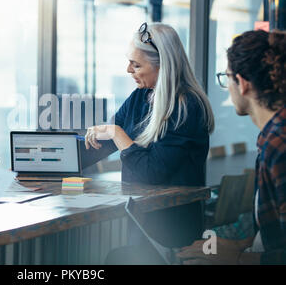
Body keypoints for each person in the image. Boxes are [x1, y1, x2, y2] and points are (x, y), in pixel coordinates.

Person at [81, 22, 215, 263]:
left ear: (163, 65)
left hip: (172, 234)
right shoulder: (140, 97)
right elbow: (99, 144)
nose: (128, 70)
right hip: (143, 223)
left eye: (136, 64)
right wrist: (48, 159)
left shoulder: (187, 106)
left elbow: (150, 172)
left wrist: (117, 133)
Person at [177, 29, 286, 265]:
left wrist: (235, 257)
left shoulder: (279, 145)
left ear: (243, 83)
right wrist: (238, 244)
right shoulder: (270, 137)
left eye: (225, 77)